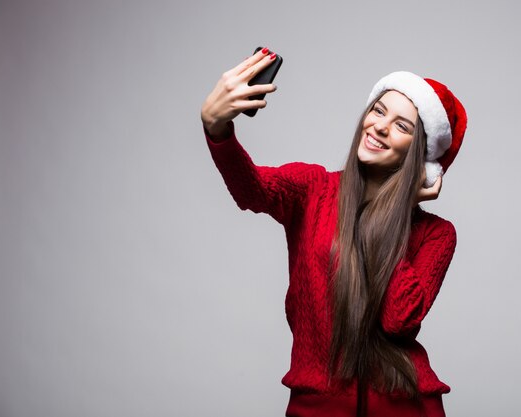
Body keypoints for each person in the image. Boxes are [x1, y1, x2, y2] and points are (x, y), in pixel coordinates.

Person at [200, 47, 467, 417]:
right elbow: (251, 190)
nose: (381, 126)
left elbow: (398, 319)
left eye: (403, 126)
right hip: (317, 405)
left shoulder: (436, 235)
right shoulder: (313, 189)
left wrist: (399, 210)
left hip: (406, 405)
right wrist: (218, 131)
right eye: (378, 110)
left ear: (421, 157)